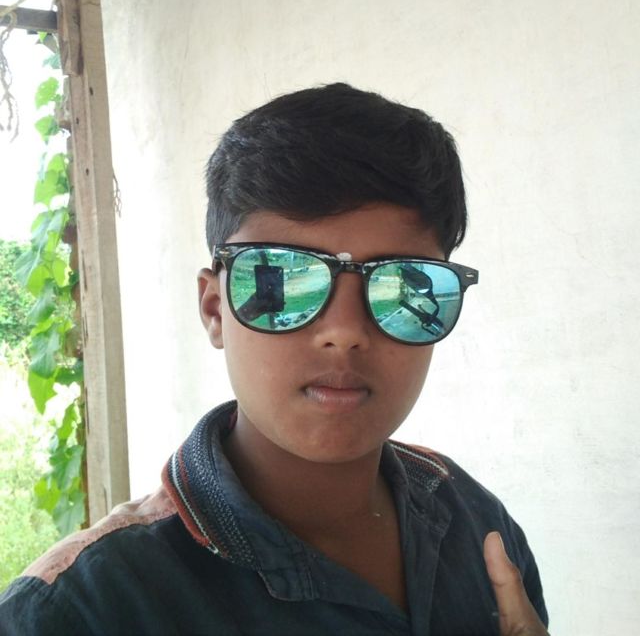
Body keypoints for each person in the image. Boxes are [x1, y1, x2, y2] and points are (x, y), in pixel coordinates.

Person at [0, 83, 550, 635]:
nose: (344, 332)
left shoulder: (475, 524)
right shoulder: (80, 611)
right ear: (215, 309)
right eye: (282, 281)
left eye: (404, 285)